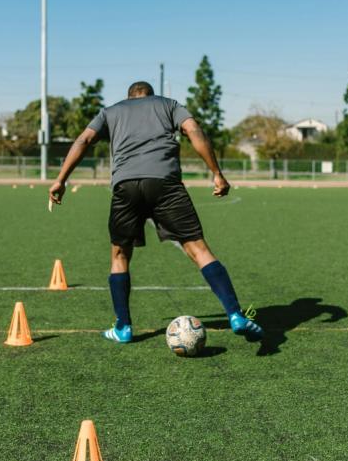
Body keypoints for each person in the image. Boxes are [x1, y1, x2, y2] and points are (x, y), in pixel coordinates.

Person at [48, 81, 264, 344]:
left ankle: (123, 327)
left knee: (119, 255)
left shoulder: (111, 111)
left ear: (129, 97)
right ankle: (235, 315)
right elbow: (193, 129)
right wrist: (217, 174)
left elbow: (84, 139)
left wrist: (61, 179)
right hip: (166, 184)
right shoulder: (169, 105)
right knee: (198, 249)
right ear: (151, 96)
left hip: (125, 185)